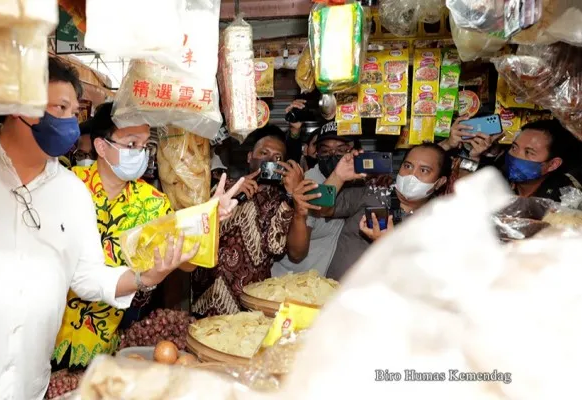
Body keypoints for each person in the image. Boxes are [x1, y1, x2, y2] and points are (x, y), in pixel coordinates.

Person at [0, 57, 232, 400]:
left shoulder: (70, 191)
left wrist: (145, 277)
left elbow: (88, 276)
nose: (69, 121)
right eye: (60, 108)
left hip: (23, 388)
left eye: (73, 110)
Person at [52, 103, 176, 370]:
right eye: (131, 144)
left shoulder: (153, 202)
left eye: (144, 146)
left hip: (113, 343)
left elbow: (186, 258)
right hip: (48, 333)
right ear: (101, 146)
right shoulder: (67, 185)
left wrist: (209, 216)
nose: (139, 154)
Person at [188, 126, 311, 317]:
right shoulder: (222, 187)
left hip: (247, 307)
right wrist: (232, 191)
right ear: (249, 157)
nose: (270, 160)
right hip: (204, 298)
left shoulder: (281, 200)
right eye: (263, 153)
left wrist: (292, 195)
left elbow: (282, 248)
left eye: (278, 157)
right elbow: (191, 228)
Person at [323, 143, 450, 280]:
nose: (412, 175)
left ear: (440, 182)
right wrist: (337, 177)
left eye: (424, 170)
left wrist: (385, 245)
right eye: (408, 166)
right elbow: (322, 209)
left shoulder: (438, 223)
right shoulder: (373, 192)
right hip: (333, 294)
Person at [272, 123, 356, 277]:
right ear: (316, 153)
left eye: (341, 150)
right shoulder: (309, 183)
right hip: (289, 283)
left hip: (317, 287)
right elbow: (296, 254)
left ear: (352, 151)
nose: (333, 155)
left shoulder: (354, 183)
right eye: (325, 150)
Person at [441, 118, 580, 201]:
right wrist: (473, 157)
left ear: (552, 164)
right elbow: (461, 199)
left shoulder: (567, 196)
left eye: (528, 152)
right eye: (514, 148)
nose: (516, 156)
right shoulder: (498, 176)